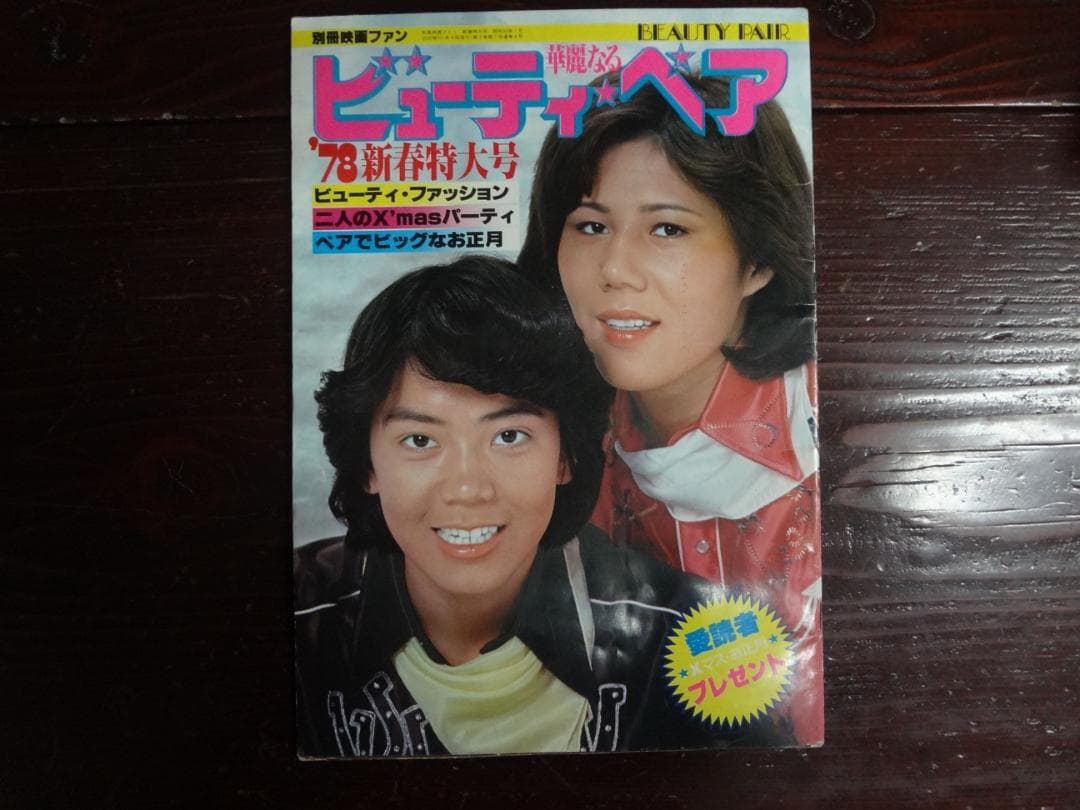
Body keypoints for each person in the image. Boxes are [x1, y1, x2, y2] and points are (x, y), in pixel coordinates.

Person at [294, 255, 756, 757]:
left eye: (509, 436)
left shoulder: (692, 633)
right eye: (420, 440)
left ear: (565, 457)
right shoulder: (294, 616)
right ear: (367, 465)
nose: (467, 488)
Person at [519, 74, 823, 745]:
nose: (615, 270)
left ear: (757, 261)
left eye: (666, 228)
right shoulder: (543, 448)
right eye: (590, 225)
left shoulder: (828, 428)